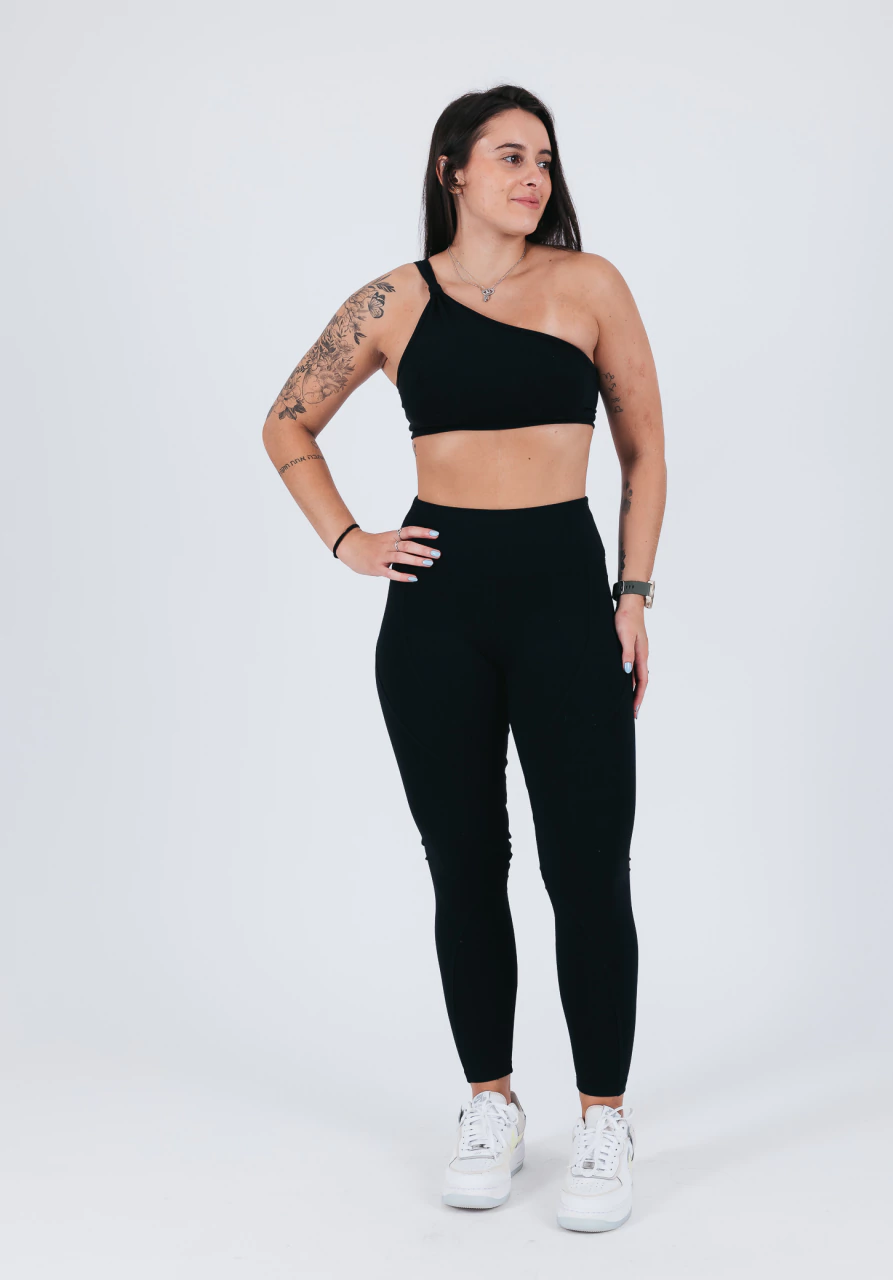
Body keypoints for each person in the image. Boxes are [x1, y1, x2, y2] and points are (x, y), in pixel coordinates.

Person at [262, 83, 666, 1233]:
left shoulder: (590, 286)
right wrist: (349, 539)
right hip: (437, 615)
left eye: (544, 158)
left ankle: (602, 1118)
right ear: (452, 169)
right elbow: (286, 420)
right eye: (508, 156)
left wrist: (632, 594)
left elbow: (644, 450)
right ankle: (490, 1100)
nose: (533, 176)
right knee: (465, 863)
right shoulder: (393, 300)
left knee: (588, 866)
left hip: (564, 606)